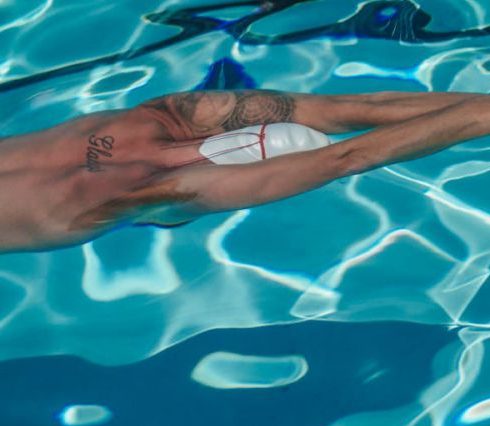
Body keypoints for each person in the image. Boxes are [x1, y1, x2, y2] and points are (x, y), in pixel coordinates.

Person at [0, 89, 488, 253]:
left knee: (338, 126)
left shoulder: (161, 125)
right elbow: (350, 141)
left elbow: (350, 136)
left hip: (126, 191)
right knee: (342, 111)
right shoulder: (151, 156)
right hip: (136, 159)